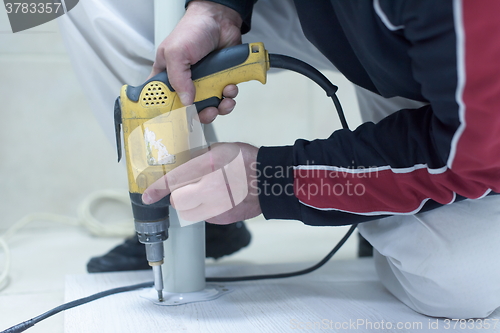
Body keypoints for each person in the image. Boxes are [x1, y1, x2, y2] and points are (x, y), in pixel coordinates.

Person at [139, 0, 500, 320]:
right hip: (334, 18)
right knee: (134, 14)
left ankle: (373, 210)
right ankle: (191, 227)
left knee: (461, 283)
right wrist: (218, 7)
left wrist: (269, 181)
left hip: (451, 100)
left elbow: (470, 156)